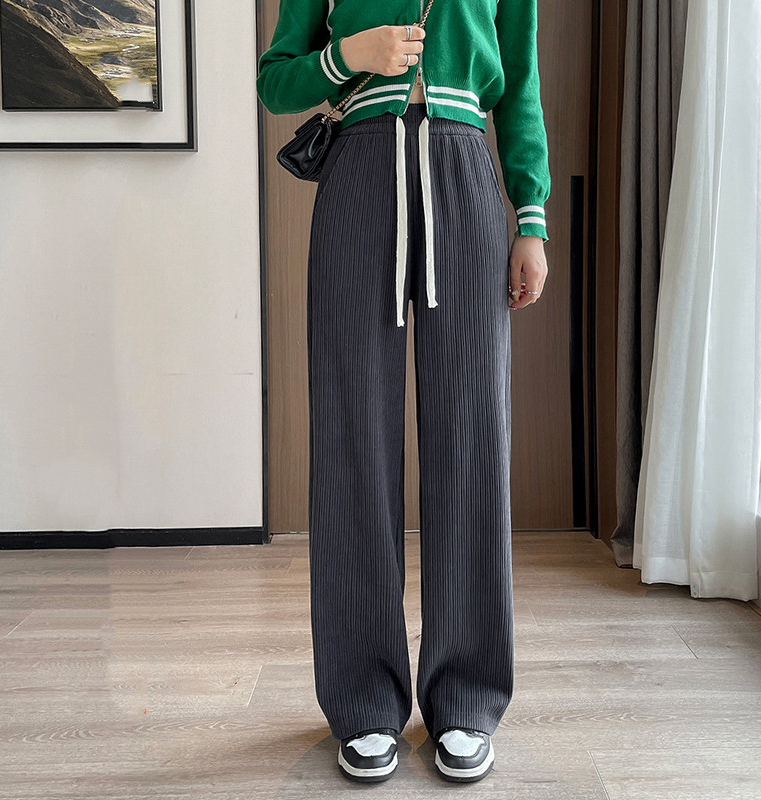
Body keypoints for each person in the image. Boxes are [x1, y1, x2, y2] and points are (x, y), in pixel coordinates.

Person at [257, 0, 550, 784]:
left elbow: (520, 83)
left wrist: (530, 218)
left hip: (464, 174)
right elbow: (276, 83)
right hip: (357, 180)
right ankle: (363, 701)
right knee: (351, 439)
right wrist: (349, 54)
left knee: (471, 437)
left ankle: (467, 695)